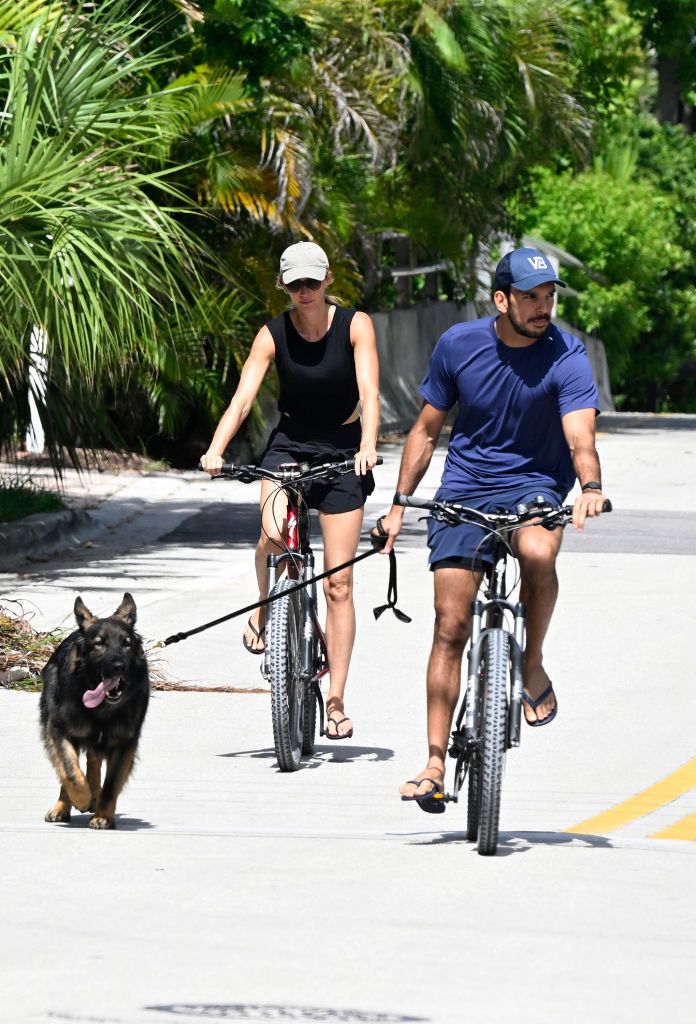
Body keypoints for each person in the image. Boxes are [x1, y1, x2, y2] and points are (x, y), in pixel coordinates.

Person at [377, 245, 609, 810]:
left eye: (550, 294)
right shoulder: (460, 346)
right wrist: (400, 504)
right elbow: (426, 431)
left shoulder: (567, 355)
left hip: (535, 487)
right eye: (530, 296)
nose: (543, 305)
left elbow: (581, 438)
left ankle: (530, 664)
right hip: (464, 491)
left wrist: (592, 487)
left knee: (535, 550)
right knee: (451, 626)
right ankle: (434, 761)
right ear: (501, 299)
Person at [200, 240, 380, 740]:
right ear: (284, 286)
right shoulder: (272, 334)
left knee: (338, 584)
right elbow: (242, 399)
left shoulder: (355, 325)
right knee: (273, 532)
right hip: (290, 443)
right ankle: (265, 604)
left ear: (327, 281)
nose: (304, 292)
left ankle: (337, 700)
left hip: (345, 448)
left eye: (311, 282)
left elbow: (369, 391)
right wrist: (216, 449)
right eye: (294, 284)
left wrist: (367, 442)